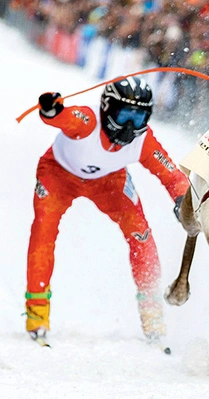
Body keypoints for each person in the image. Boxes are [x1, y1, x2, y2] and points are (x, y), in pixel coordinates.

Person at [25, 76, 189, 348]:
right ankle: (37, 313)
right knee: (44, 229)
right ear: (107, 109)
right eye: (125, 115)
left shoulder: (143, 140)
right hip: (58, 175)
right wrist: (51, 110)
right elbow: (64, 117)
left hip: (109, 182)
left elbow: (171, 174)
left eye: (138, 119)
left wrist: (183, 200)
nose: (129, 127)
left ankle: (153, 316)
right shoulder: (89, 122)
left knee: (141, 234)